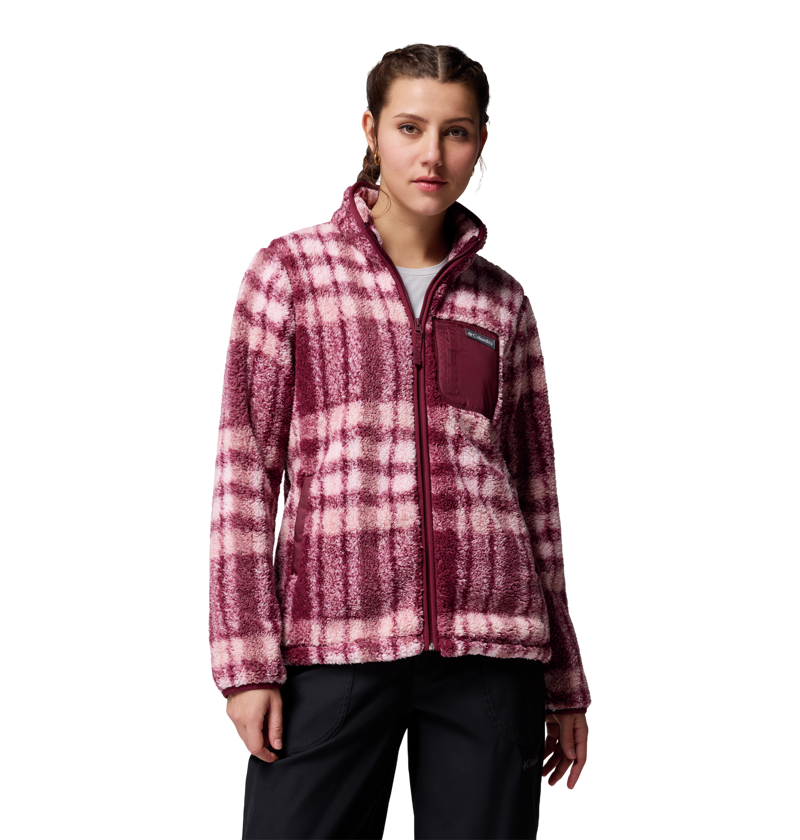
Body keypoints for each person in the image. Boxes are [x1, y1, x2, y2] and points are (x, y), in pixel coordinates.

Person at [209, 42, 591, 839]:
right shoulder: (290, 274)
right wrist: (245, 663)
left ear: (479, 144)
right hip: (334, 641)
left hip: (490, 648)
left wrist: (565, 681)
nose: (432, 154)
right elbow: (246, 475)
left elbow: (535, 494)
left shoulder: (502, 301)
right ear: (370, 132)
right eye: (411, 127)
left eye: (456, 132)